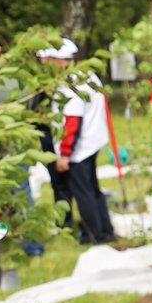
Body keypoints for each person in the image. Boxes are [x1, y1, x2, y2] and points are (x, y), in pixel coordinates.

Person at [36, 39, 116, 244]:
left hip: (80, 146)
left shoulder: (70, 82)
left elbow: (72, 121)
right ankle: (106, 230)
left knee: (83, 192)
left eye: (52, 60)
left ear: (61, 60)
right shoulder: (87, 75)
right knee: (92, 188)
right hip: (92, 140)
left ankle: (93, 234)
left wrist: (64, 153)